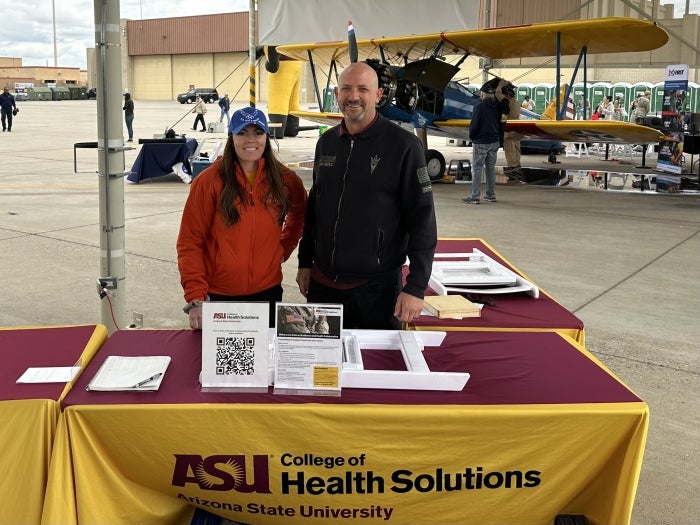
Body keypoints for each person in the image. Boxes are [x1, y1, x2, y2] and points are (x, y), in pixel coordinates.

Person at [295, 62, 437, 330]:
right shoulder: (326, 143)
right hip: (323, 286)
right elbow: (315, 208)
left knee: (375, 366)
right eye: (346, 89)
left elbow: (422, 220)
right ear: (336, 93)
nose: (354, 96)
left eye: (363, 89)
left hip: (376, 291)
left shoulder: (405, 146)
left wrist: (416, 286)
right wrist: (305, 262)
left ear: (378, 95)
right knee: (320, 370)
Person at [177, 106, 308, 330]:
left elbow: (299, 217)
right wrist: (196, 297)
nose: (251, 140)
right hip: (219, 294)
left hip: (268, 292)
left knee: (265, 361)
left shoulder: (287, 180)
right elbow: (190, 241)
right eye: (242, 133)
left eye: (257, 132)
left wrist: (282, 249)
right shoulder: (208, 181)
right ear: (231, 136)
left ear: (267, 136)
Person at [463, 84, 502, 204]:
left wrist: (472, 137)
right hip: (494, 141)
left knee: (477, 168)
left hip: (481, 141)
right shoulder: (498, 107)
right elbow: (502, 124)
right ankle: (491, 195)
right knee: (490, 169)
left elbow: (474, 126)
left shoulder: (479, 107)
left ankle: (475, 197)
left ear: (482, 94)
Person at [496, 80, 522, 179]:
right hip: (517, 129)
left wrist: (500, 84)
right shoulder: (517, 103)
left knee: (509, 148)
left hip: (509, 129)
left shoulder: (508, 102)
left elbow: (497, 93)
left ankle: (512, 168)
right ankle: (517, 166)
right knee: (516, 149)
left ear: (507, 94)